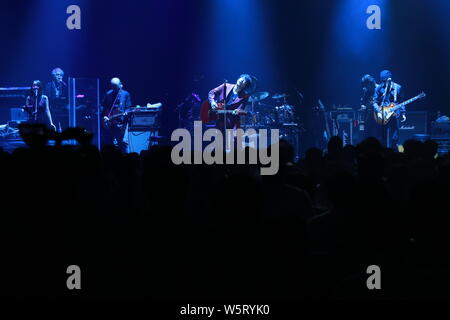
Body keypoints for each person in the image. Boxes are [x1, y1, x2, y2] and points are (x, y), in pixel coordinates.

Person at [373, 70, 405, 148]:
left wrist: (403, 113)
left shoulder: (398, 87)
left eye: (385, 80)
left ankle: (394, 151)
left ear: (390, 79)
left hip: (395, 113)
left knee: (395, 135)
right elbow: (374, 101)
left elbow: (401, 101)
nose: (384, 82)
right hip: (383, 114)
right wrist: (378, 110)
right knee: (382, 135)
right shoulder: (379, 88)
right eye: (382, 81)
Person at [101, 77, 132, 152]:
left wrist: (126, 113)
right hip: (109, 122)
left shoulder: (125, 94)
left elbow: (128, 107)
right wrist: (104, 116)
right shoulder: (108, 94)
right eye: (113, 87)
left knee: (122, 142)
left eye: (116, 87)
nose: (115, 89)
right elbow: (103, 107)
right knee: (109, 142)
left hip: (121, 123)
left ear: (120, 85)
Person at [45, 68, 68, 132]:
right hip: (52, 108)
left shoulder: (64, 85)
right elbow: (48, 97)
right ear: (53, 76)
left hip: (62, 108)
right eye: (57, 75)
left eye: (61, 75)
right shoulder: (48, 85)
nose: (60, 76)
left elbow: (67, 97)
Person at [360, 74, 379, 140]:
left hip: (378, 119)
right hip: (368, 119)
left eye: (366, 86)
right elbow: (363, 103)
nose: (366, 88)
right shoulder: (367, 92)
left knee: (376, 137)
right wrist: (363, 106)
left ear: (370, 83)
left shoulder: (379, 89)